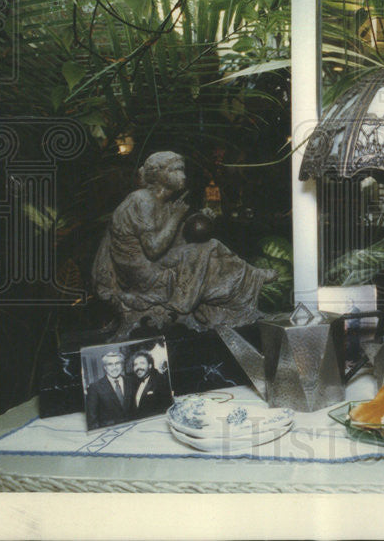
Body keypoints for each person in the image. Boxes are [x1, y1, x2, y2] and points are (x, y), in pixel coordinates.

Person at [92, 151, 275, 337]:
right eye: (176, 170)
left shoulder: (162, 202)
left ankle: (248, 279)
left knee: (211, 247)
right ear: (159, 174)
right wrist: (177, 217)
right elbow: (154, 249)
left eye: (182, 170)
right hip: (142, 272)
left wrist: (200, 218)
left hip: (152, 262)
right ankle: (247, 280)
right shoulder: (142, 200)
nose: (183, 176)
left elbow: (173, 241)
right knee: (207, 250)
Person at [85, 351, 133, 429]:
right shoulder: (94, 387)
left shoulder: (131, 381)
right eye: (110, 364)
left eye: (117, 363)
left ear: (122, 365)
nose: (114, 367)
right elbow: (92, 420)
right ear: (105, 367)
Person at [129, 350, 173, 419]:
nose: (138, 367)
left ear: (150, 365)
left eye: (142, 363)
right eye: (135, 365)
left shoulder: (160, 381)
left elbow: (167, 409)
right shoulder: (134, 384)